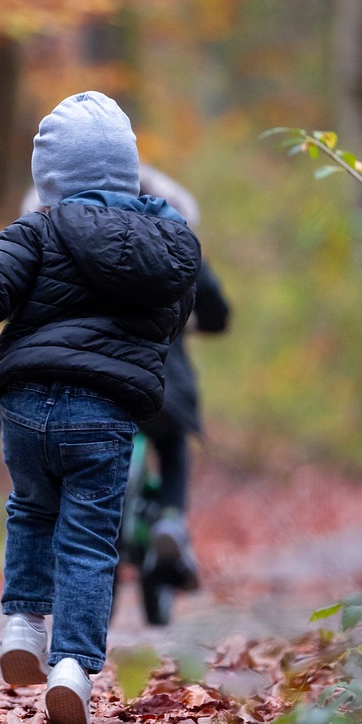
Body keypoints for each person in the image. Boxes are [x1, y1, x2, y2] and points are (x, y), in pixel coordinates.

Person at [0, 92, 200, 724]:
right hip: (104, 414)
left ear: (49, 176)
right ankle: (72, 667)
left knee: (31, 509)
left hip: (26, 406)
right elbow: (172, 322)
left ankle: (23, 622)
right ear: (128, 169)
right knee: (91, 539)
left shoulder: (37, 230)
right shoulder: (172, 244)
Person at [134, 165, 231, 595]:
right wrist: (197, 323)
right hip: (162, 381)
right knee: (172, 443)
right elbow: (217, 311)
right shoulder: (177, 244)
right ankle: (171, 517)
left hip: (96, 380)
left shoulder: (75, 234)